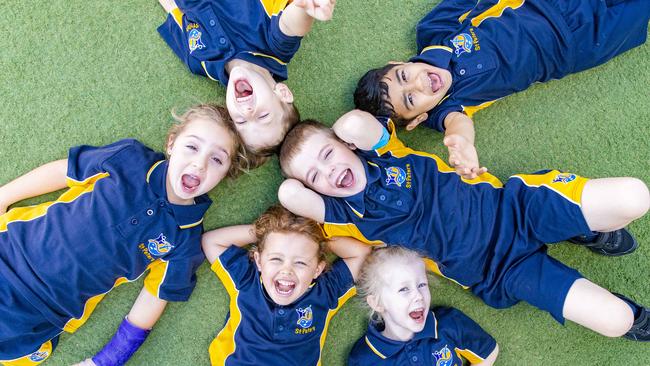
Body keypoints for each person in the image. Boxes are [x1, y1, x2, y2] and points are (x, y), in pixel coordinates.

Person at [276, 110, 650, 342]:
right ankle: (586, 241)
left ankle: (583, 229)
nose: (329, 172)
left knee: (635, 197)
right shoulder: (346, 216)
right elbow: (290, 194)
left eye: (329, 154)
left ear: (348, 146)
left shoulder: (388, 153)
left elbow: (355, 123)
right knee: (617, 321)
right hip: (500, 270)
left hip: (515, 209)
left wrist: (339, 137)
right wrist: (311, 175)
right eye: (316, 176)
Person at [0, 104, 245, 365]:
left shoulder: (185, 241)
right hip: (9, 250)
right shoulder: (130, 159)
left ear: (225, 173)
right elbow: (66, 171)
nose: (199, 163)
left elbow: (154, 297)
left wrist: (110, 359)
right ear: (172, 143)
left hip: (44, 313)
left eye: (217, 159)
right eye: (192, 147)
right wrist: (4, 196)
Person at [353, 0, 650, 179]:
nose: (418, 83)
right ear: (418, 118)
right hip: (577, 47)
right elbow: (458, 125)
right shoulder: (445, 108)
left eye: (404, 75)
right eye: (410, 99)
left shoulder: (433, 34)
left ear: (398, 62)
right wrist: (462, 144)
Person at [157, 0, 336, 166]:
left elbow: (173, 8)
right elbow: (291, 25)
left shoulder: (200, 63)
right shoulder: (275, 46)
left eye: (241, 121)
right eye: (263, 116)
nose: (249, 111)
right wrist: (305, 7)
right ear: (282, 92)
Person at [201, 204, 370, 365]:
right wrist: (264, 230)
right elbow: (212, 241)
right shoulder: (246, 279)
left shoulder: (326, 292)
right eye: (276, 259)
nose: (287, 270)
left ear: (318, 269)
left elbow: (361, 253)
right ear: (259, 261)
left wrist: (320, 235)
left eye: (301, 263)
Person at [349, 246, 499, 366]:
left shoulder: (448, 323)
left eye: (421, 285)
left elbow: (488, 352)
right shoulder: (364, 359)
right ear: (377, 303)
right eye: (404, 289)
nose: (418, 296)